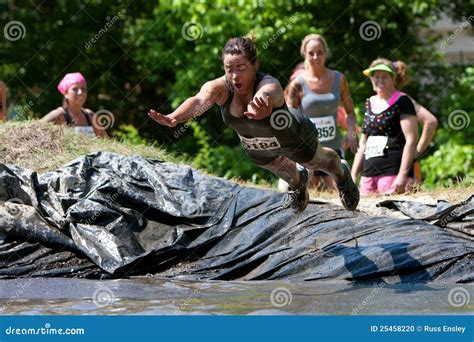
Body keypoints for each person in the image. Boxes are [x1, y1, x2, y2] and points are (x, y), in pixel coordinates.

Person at [148, 36, 359, 213]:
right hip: (257, 146)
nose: (234, 75)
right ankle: (297, 185)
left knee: (318, 162)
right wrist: (175, 117)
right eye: (229, 68)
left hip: (293, 135)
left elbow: (267, 95)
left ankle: (342, 175)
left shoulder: (269, 85)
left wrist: (261, 106)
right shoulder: (220, 87)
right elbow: (199, 100)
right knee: (286, 173)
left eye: (241, 68)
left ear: (255, 65)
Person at [282, 34, 358, 192]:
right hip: (308, 149)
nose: (316, 57)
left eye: (320, 52)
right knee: (308, 198)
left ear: (326, 53)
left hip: (333, 149)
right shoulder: (297, 84)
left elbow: (350, 113)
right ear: (304, 54)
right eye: (311, 53)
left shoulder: (339, 79)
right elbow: (289, 119)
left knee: (342, 193)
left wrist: (351, 131)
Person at [351, 58, 418, 195]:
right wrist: (352, 175)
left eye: (384, 76)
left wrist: (402, 175)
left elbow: (411, 140)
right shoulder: (369, 102)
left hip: (393, 172)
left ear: (393, 79)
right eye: (376, 77)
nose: (379, 80)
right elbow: (363, 142)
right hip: (368, 174)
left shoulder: (402, 100)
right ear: (371, 79)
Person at [41, 72, 105, 138]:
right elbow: (35, 129)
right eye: (75, 89)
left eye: (83, 89)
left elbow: (105, 141)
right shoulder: (59, 114)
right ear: (66, 93)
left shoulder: (90, 115)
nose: (80, 92)